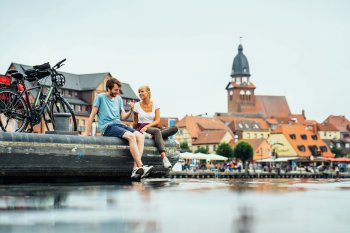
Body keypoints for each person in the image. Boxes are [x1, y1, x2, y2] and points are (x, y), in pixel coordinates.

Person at [87, 78, 153, 179]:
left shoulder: (119, 99)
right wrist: (88, 133)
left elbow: (123, 117)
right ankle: (141, 166)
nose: (118, 92)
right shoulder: (100, 97)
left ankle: (136, 169)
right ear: (108, 89)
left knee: (140, 136)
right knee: (131, 136)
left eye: (118, 90)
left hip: (118, 124)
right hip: (107, 127)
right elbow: (92, 115)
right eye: (115, 90)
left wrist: (131, 110)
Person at [133, 85, 178, 169]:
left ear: (148, 92)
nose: (140, 93)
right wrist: (133, 131)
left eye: (142, 91)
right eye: (139, 92)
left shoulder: (155, 105)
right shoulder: (136, 105)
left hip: (152, 127)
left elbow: (157, 120)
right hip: (142, 128)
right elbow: (135, 121)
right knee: (157, 131)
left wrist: (147, 126)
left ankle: (154, 136)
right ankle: (164, 158)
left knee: (174, 128)